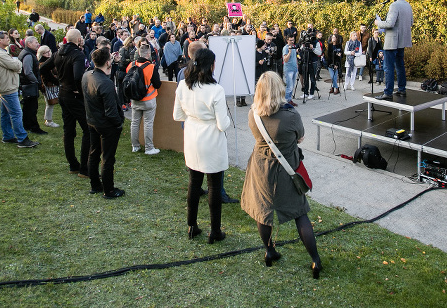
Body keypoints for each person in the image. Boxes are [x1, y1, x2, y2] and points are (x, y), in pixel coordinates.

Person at [241, 71, 322, 278]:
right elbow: (300, 137)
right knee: (300, 213)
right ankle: (315, 260)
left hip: (261, 168)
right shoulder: (291, 115)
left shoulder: (253, 114)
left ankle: (269, 251)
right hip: (287, 168)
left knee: (263, 211)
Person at [172, 48, 232, 244]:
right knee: (214, 185)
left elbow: (177, 116)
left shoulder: (182, 85)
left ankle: (192, 225)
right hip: (211, 139)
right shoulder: (216, 90)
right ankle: (215, 230)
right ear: (211, 66)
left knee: (194, 182)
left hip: (192, 136)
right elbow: (223, 124)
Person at [41, 28, 90, 175]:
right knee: (87, 130)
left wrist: (58, 82)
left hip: (63, 93)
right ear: (78, 39)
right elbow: (77, 76)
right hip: (73, 95)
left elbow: (43, 68)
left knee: (68, 130)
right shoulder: (77, 55)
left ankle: (73, 165)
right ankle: (83, 168)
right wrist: (79, 91)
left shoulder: (57, 53)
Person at [82, 47, 126, 199]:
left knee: (94, 153)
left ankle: (95, 185)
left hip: (92, 121)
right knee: (107, 158)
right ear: (108, 62)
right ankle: (109, 190)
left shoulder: (87, 75)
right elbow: (111, 111)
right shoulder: (105, 83)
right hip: (106, 125)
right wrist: (119, 122)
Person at [0, 31, 40, 149]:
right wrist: (16, 62)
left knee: (5, 113)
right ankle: (22, 139)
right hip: (7, 87)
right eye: (6, 38)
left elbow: (14, 65)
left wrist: (15, 63)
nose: (8, 39)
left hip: (4, 85)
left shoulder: (1, 53)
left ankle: (7, 135)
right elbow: (17, 65)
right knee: (16, 113)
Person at [374, 0, 414, 100]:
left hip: (392, 41)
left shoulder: (394, 6)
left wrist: (378, 23)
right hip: (402, 41)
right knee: (400, 66)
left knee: (388, 67)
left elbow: (390, 23)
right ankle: (402, 89)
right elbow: (410, 23)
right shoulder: (408, 5)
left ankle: (388, 92)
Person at [127, 43, 162, 155]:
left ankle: (135, 146)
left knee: (135, 123)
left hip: (135, 99)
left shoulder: (131, 65)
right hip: (148, 100)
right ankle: (149, 148)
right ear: (148, 54)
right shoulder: (151, 67)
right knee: (148, 123)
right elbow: (157, 84)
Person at [19, 36, 45, 135]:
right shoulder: (28, 55)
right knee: (32, 108)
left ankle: (26, 125)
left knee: (27, 107)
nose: (38, 44)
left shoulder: (26, 53)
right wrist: (36, 82)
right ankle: (34, 127)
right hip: (29, 85)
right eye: (35, 42)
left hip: (26, 84)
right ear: (29, 44)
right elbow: (28, 72)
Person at [37, 44, 60, 128]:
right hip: (48, 85)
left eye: (49, 51)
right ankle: (48, 120)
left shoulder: (49, 60)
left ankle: (48, 120)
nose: (49, 53)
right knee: (50, 103)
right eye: (46, 52)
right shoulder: (43, 63)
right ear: (42, 54)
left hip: (51, 84)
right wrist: (58, 82)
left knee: (51, 103)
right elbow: (48, 76)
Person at [281, 36, 299, 106]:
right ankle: (285, 101)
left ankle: (289, 99)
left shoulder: (293, 47)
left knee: (292, 86)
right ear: (287, 40)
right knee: (289, 86)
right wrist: (289, 52)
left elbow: (295, 58)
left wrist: (297, 66)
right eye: (291, 40)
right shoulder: (286, 48)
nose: (292, 42)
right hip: (288, 70)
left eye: (293, 40)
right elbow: (285, 60)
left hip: (294, 69)